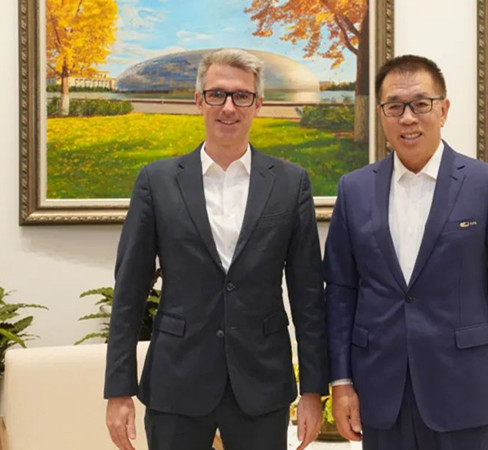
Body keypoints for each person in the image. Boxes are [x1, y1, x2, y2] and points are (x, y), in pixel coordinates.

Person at [104, 48, 328, 450]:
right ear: (199, 101)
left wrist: (313, 390)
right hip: (177, 379)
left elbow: (308, 295)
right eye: (217, 94)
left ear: (258, 104)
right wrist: (119, 390)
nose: (228, 107)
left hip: (262, 382)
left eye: (241, 96)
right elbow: (129, 292)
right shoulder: (156, 181)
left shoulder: (291, 183)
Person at [324, 55, 488, 450]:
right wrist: (342, 382)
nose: (408, 118)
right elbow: (340, 293)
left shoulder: (486, 185)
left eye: (421, 104)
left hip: (463, 388)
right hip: (378, 390)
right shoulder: (354, 190)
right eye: (395, 106)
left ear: (443, 110)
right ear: (381, 114)